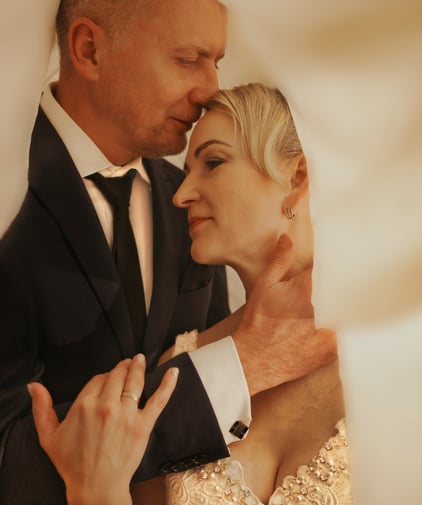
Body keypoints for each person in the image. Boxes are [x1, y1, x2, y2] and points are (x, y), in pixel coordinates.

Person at [0, 2, 334, 504]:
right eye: (187, 58)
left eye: (216, 61)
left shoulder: (187, 207)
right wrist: (239, 364)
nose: (210, 89)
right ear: (89, 50)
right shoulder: (8, 199)